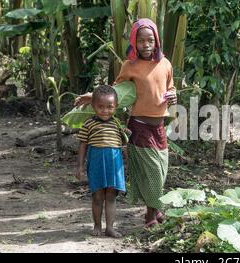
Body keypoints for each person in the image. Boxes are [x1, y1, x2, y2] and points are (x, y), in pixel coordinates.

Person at [75, 18, 177, 228]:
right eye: (141, 40)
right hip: (139, 125)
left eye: (150, 40)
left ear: (156, 41)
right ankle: (150, 215)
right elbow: (114, 92)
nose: (146, 44)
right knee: (152, 172)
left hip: (159, 127)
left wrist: (173, 95)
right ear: (134, 42)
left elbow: (171, 88)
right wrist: (91, 96)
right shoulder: (129, 66)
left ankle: (154, 207)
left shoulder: (165, 64)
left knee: (162, 170)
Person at [76, 85, 128, 238]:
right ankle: (97, 225)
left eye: (110, 107)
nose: (105, 110)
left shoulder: (118, 124)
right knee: (97, 196)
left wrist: (127, 136)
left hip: (114, 163)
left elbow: (125, 143)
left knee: (111, 196)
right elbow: (82, 145)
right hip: (96, 162)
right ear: (93, 106)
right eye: (100, 107)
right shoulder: (88, 124)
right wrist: (80, 166)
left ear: (116, 106)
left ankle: (110, 228)